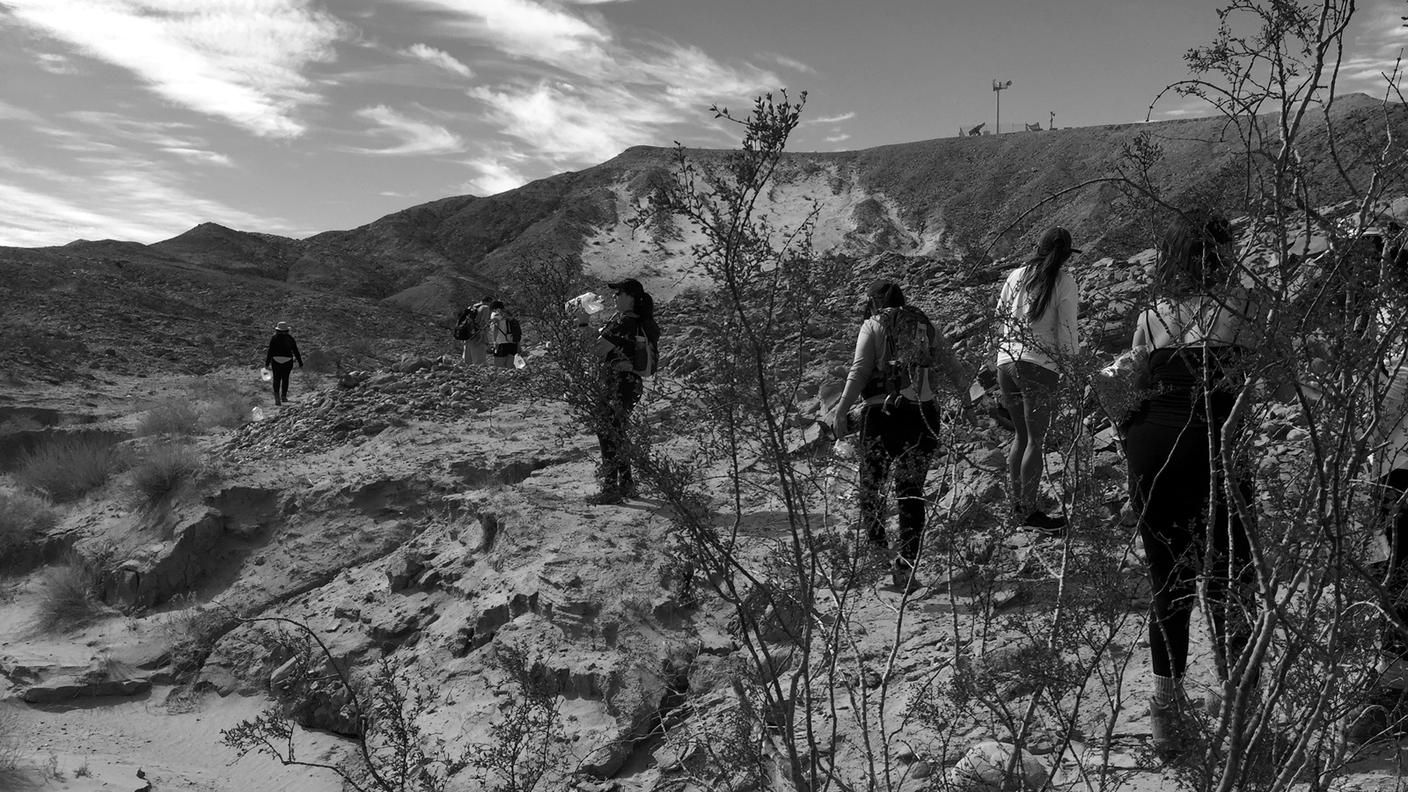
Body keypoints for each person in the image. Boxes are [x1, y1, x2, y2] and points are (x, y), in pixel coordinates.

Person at [1122, 209, 1259, 759]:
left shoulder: (1154, 313)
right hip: (1218, 447)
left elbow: (1135, 378)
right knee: (1232, 575)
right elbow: (1273, 367)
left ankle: (1166, 721)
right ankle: (1239, 712)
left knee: (1168, 578)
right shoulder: (1245, 304)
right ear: (1222, 252)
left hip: (1155, 447)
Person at [830, 281, 969, 592]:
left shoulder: (873, 323)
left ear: (874, 302)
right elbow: (952, 365)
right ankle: (906, 567)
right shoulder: (925, 324)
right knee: (910, 492)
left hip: (882, 416)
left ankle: (878, 551)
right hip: (923, 416)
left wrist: (841, 410)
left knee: (871, 487)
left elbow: (860, 369)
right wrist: (967, 398)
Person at [994, 226, 1081, 534]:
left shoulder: (1016, 276)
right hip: (1038, 366)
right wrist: (1073, 369)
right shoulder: (1065, 282)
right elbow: (1067, 332)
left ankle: (1016, 506)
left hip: (1006, 363)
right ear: (1066, 254)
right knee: (1035, 439)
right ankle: (1029, 512)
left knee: (1019, 435)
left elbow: (1000, 317)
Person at [590, 278, 659, 505]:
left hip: (619, 383)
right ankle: (626, 483)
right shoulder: (637, 321)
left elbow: (597, 349)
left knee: (607, 430)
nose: (614, 297)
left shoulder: (624, 323)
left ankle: (611, 487)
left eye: (618, 293)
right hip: (630, 383)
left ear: (630, 297)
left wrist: (582, 324)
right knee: (616, 431)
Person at [264, 321, 303, 406]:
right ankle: (284, 397)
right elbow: (296, 351)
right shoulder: (290, 338)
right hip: (288, 361)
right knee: (285, 379)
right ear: (287, 330)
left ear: (277, 330)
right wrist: (300, 363)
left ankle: (277, 398)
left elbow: (270, 352)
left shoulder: (274, 338)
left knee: (276, 379)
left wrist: (267, 363)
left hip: (276, 360)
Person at [460, 297, 493, 365]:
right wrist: (484, 333)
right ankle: (479, 369)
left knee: (468, 354)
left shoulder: (472, 307)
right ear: (488, 302)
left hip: (468, 333)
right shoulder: (485, 307)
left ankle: (467, 369)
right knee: (479, 353)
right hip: (478, 333)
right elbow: (483, 322)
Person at [487, 300, 518, 369]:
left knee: (499, 366)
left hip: (501, 343)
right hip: (512, 342)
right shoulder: (509, 314)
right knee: (510, 366)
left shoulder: (495, 314)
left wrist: (494, 341)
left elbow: (495, 328)